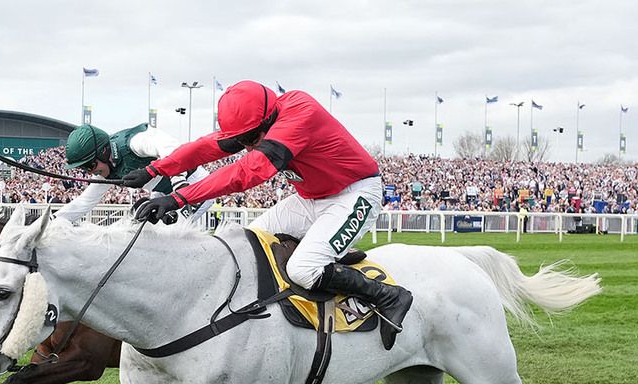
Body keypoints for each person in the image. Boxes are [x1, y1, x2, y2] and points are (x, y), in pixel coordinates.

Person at [124, 80, 412, 350]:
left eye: (250, 138)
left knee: (304, 270)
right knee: (246, 243)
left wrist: (179, 197)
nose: (247, 146)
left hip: (355, 194)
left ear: (268, 119)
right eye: (242, 140)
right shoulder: (259, 119)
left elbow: (248, 172)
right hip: (310, 199)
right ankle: (323, 260)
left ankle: (388, 296)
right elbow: (204, 148)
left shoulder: (300, 112)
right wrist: (153, 170)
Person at [55, 123, 212, 225]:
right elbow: (85, 201)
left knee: (165, 238)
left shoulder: (134, 143)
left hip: (196, 186)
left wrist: (178, 181)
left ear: (104, 152)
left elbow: (173, 148)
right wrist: (52, 221)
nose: (90, 172)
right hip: (164, 194)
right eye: (84, 168)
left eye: (90, 165)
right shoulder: (105, 169)